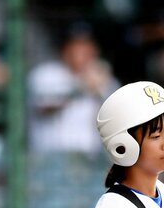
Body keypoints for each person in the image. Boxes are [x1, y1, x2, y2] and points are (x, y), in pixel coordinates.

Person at [28, 22, 120, 155]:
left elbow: (116, 123)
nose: (80, 52)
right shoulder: (45, 74)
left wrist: (100, 91)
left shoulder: (105, 80)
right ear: (65, 49)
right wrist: (81, 88)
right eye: (75, 45)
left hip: (90, 161)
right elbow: (45, 107)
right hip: (50, 158)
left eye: (85, 46)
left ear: (94, 50)